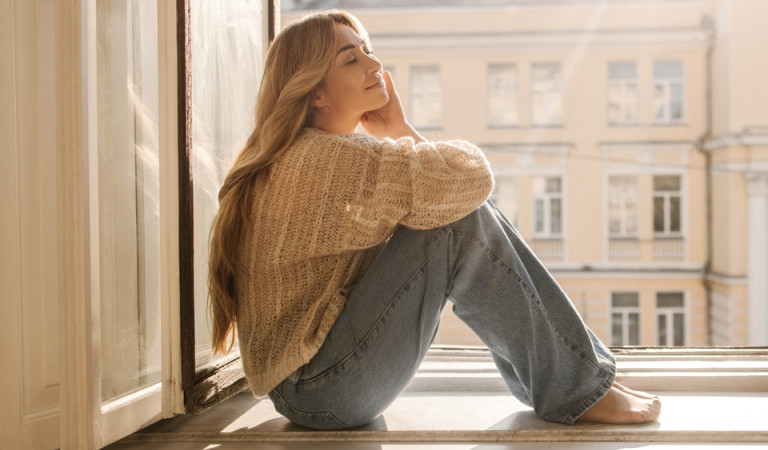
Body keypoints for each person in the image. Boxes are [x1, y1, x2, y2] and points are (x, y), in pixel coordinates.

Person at [208, 9, 660, 430]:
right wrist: (400, 130)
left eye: (367, 49)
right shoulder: (325, 161)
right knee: (457, 224)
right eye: (351, 58)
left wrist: (394, 135)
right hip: (322, 386)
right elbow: (469, 178)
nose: (372, 63)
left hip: (312, 387)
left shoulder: (310, 156)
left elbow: (451, 192)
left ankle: (578, 381)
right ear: (316, 94)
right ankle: (577, 388)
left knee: (454, 214)